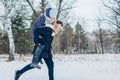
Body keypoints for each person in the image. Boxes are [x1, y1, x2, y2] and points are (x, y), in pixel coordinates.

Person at [14, 8, 63, 80]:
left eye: (60, 28)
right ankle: (18, 72)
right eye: (59, 27)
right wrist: (36, 41)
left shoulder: (53, 32)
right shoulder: (47, 29)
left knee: (51, 65)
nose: (59, 29)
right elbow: (36, 31)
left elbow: (48, 41)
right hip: (41, 49)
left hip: (47, 51)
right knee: (33, 65)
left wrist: (50, 49)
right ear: (56, 24)